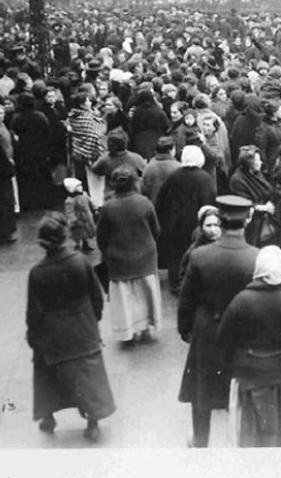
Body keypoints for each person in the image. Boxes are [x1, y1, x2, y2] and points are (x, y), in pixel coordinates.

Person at [178, 195, 260, 448]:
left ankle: (201, 441)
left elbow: (186, 298)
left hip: (207, 329)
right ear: (247, 221)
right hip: (242, 332)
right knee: (239, 387)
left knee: (201, 388)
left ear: (221, 221)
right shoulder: (256, 256)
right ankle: (241, 442)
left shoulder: (200, 256)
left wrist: (186, 329)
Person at [26, 212, 115, 441]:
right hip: (83, 330)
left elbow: (34, 313)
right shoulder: (80, 261)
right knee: (89, 378)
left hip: (53, 335)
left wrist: (34, 338)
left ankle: (48, 417)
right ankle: (93, 422)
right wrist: (92, 321)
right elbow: (96, 296)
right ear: (65, 236)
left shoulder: (37, 273)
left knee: (46, 373)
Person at [217, 246, 281, 447]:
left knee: (248, 430)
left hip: (248, 375)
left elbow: (223, 337)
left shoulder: (241, 300)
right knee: (278, 427)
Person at [95, 166, 162, 343]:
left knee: (125, 299)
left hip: (119, 261)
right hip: (145, 257)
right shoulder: (145, 203)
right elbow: (156, 230)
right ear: (134, 182)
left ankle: (128, 332)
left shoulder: (108, 208)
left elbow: (101, 237)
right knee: (146, 294)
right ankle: (147, 328)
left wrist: (108, 252)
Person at [156, 145, 217, 293]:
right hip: (196, 223)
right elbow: (210, 202)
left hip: (175, 222)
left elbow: (161, 199)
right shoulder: (205, 179)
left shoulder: (174, 176)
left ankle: (176, 283)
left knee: (176, 254)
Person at [228, 145, 277, 247]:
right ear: (249, 164)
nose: (261, 163)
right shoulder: (237, 180)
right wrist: (263, 208)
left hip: (263, 220)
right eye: (258, 160)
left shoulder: (256, 173)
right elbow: (242, 203)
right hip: (251, 224)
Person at [91, 128, 146, 202]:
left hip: (111, 198)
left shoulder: (105, 160)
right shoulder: (137, 158)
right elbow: (144, 174)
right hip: (134, 197)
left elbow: (95, 170)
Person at [178, 205, 222, 290]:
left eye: (216, 225)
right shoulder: (194, 252)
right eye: (208, 225)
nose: (212, 230)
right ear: (201, 228)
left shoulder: (228, 246)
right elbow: (184, 279)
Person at [140, 136, 181, 208]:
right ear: (171, 150)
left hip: (153, 209)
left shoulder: (148, 168)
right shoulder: (178, 168)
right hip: (173, 210)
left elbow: (143, 190)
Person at [63, 177, 97, 252]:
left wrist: (94, 207)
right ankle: (77, 245)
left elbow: (90, 201)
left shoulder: (84, 194)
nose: (81, 187)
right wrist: (74, 219)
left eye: (80, 185)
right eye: (78, 186)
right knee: (78, 234)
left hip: (87, 217)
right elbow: (69, 212)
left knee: (86, 233)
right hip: (78, 220)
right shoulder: (70, 201)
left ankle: (86, 244)